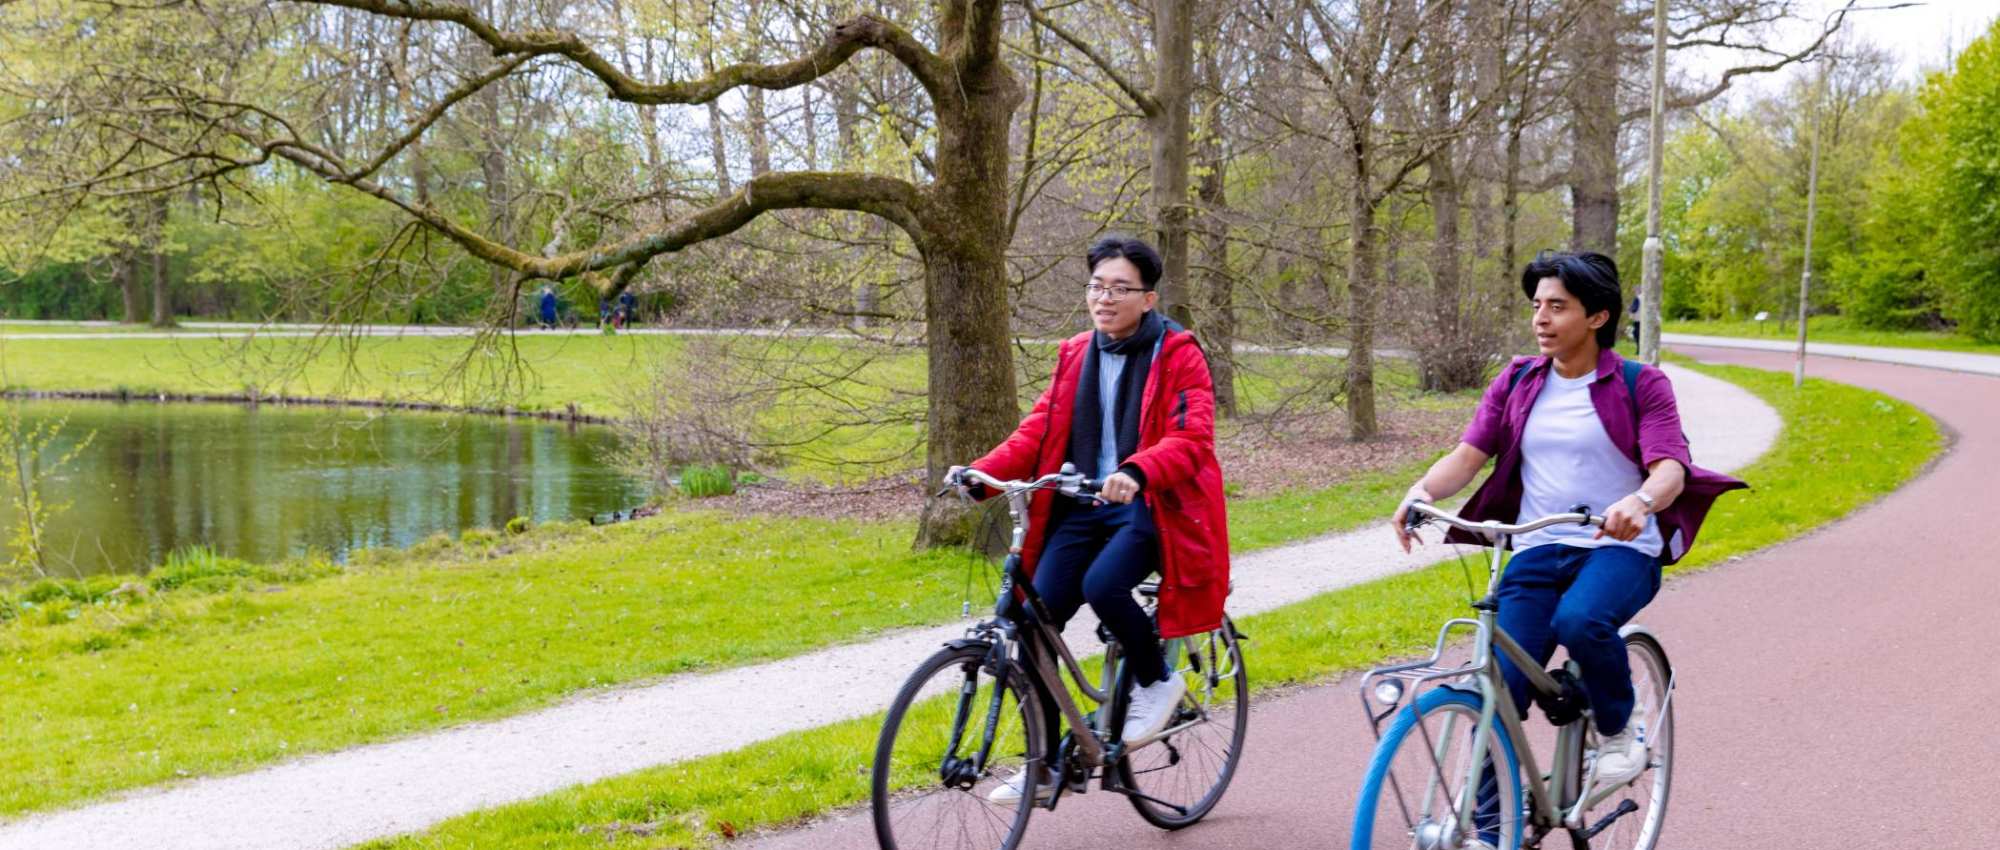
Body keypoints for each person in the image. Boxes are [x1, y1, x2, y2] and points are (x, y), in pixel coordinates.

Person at [1390, 251, 1744, 786]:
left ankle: (1621, 729)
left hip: (1618, 550)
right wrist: (1419, 493)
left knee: (1579, 621)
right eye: (1537, 305)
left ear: (1597, 316)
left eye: (1558, 306)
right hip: (1537, 550)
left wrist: (1640, 503)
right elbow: (1467, 457)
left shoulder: (1640, 384)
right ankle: (1489, 832)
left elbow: (1670, 467)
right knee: (1500, 686)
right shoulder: (1516, 382)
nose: (1541, 318)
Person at [953, 235, 1230, 804]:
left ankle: (1157, 681)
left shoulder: (1177, 353)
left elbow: (1192, 437)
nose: (1105, 299)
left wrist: (1139, 469)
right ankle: (1044, 764)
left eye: (1120, 288)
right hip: (1082, 507)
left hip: (1151, 506)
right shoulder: (1076, 353)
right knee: (1032, 620)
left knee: (1103, 585)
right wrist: (982, 474)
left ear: (1149, 299)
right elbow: (1037, 432)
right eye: (1097, 287)